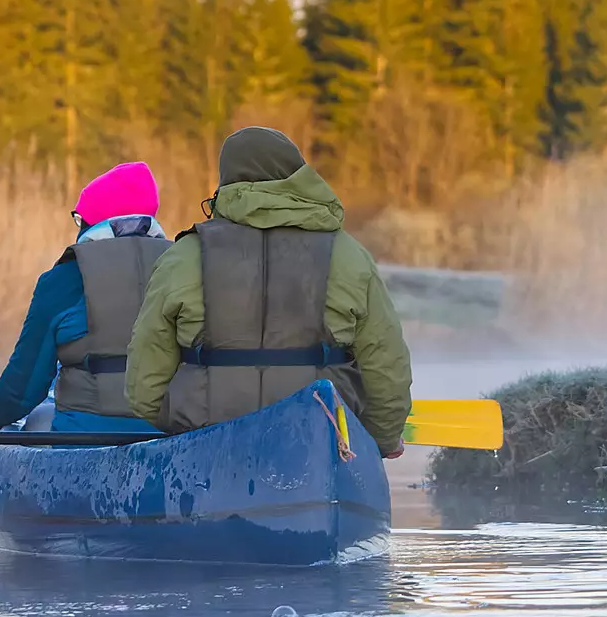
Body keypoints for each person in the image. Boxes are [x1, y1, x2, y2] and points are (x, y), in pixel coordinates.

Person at [126, 127, 411, 456]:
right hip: (320, 441)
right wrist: (382, 440)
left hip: (206, 445)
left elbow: (143, 387)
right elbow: (386, 366)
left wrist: (177, 422)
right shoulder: (348, 255)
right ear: (298, 176)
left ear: (226, 181)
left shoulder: (184, 255)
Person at [0, 161, 171, 433]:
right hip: (170, 431)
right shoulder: (183, 265)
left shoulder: (64, 278)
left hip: (84, 433)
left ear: (92, 221)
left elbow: (24, 387)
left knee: (28, 422)